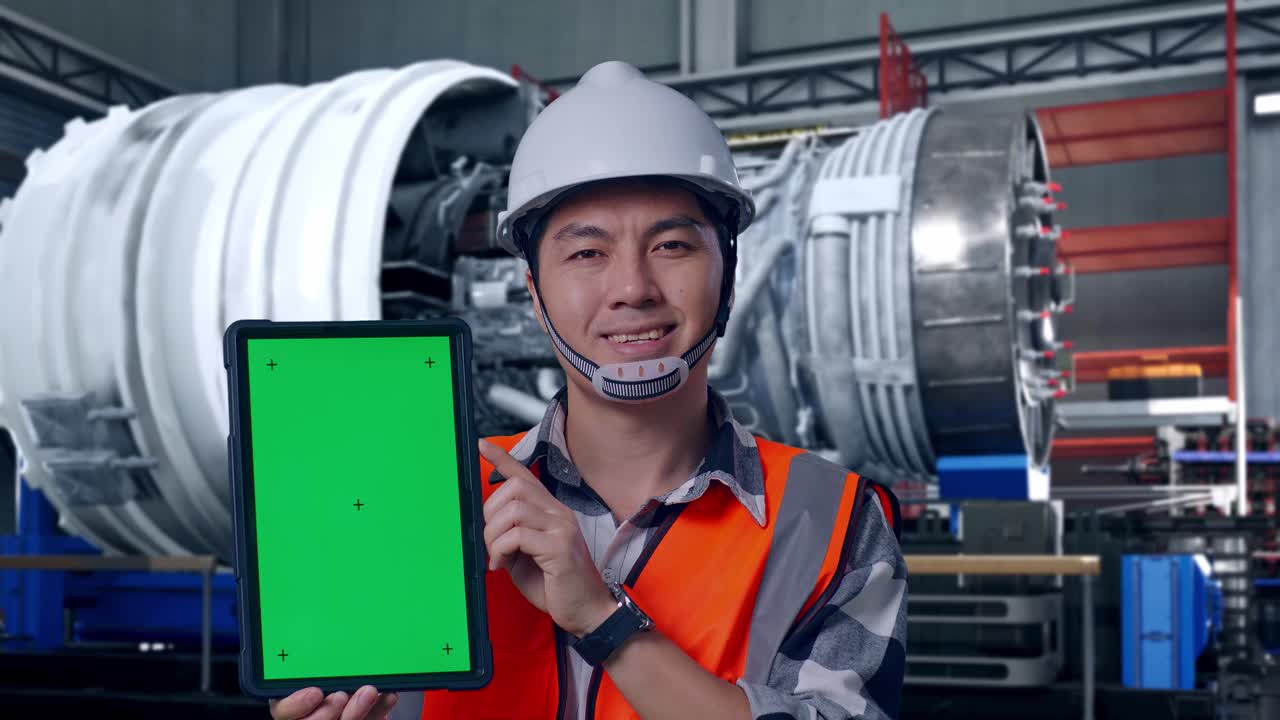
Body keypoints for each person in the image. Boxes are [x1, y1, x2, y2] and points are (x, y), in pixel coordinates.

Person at [270, 60, 906, 720]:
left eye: (672, 245)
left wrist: (604, 622)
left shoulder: (831, 521)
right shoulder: (434, 501)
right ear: (535, 293)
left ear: (729, 274)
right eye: (586, 253)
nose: (632, 288)